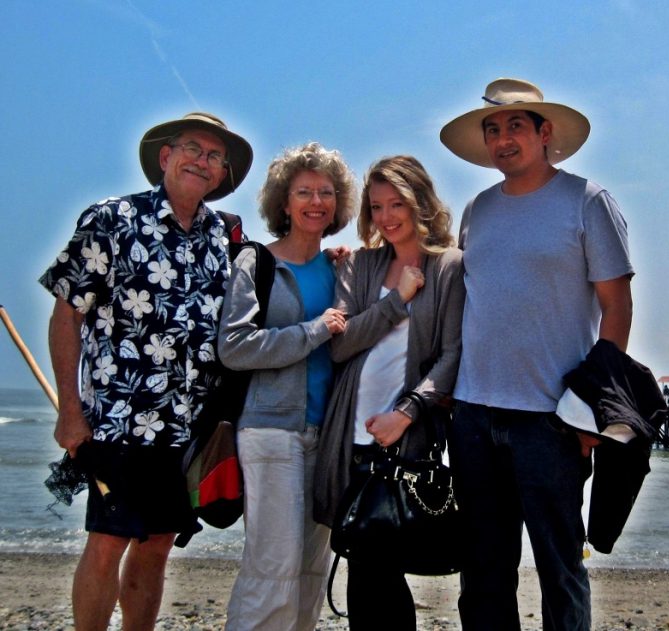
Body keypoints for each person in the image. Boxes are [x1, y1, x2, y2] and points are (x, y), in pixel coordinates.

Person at [40, 112, 253, 631]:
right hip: (120, 419)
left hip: (188, 427)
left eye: (213, 156)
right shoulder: (111, 219)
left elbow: (275, 276)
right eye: (192, 149)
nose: (201, 161)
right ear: (165, 157)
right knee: (107, 541)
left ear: (222, 174)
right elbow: (66, 313)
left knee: (157, 545)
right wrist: (71, 411)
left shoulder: (225, 241)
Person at [439, 78, 633, 630]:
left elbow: (617, 308)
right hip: (473, 415)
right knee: (482, 571)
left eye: (515, 126)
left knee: (559, 567)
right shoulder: (476, 210)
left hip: (551, 420)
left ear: (545, 133)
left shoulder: (587, 201)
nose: (503, 139)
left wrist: (592, 410)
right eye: (493, 129)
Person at [312, 155, 465, 630]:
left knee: (385, 564)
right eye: (376, 207)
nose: (386, 217)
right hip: (348, 439)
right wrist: (397, 301)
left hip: (404, 439)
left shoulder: (449, 267)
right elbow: (339, 347)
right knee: (363, 566)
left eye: (397, 203)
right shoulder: (359, 265)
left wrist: (406, 413)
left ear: (420, 201)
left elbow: (453, 355)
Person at [217, 142, 355, 630]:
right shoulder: (256, 263)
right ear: (284, 201)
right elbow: (233, 347)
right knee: (271, 569)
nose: (316, 201)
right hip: (270, 430)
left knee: (311, 571)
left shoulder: (342, 267)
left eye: (326, 192)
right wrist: (315, 329)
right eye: (304, 192)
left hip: (329, 436)